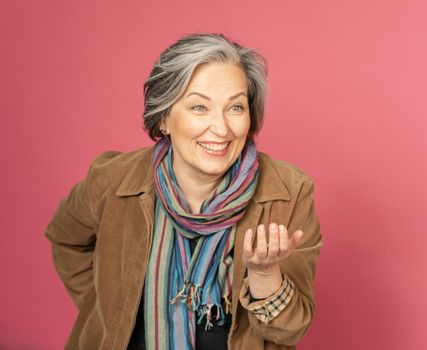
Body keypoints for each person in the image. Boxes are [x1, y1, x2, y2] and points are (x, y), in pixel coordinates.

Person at [45, 32, 323, 350]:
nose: (221, 128)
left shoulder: (290, 192)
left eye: (235, 108)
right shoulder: (113, 179)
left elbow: (290, 331)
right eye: (199, 107)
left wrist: (264, 274)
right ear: (164, 117)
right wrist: (109, 306)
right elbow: (66, 238)